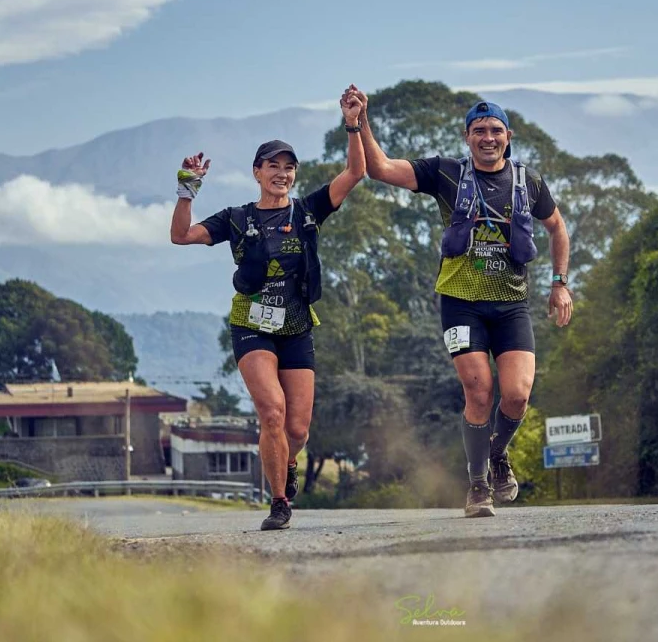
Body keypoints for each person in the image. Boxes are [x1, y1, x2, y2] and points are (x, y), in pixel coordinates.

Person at [349, 85, 573, 517]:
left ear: (508, 136)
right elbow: (379, 169)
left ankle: (496, 453)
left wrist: (560, 284)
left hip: (511, 305)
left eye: (494, 130)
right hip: (460, 301)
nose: (487, 138)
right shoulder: (445, 172)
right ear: (466, 137)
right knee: (478, 390)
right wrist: (359, 122)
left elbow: (557, 229)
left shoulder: (528, 182)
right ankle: (477, 486)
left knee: (518, 395)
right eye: (478, 131)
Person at [170, 90, 367, 530]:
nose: (281, 174)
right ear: (257, 172)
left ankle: (286, 464)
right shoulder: (237, 218)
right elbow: (181, 236)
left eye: (288, 167)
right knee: (272, 413)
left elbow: (356, 171)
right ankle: (279, 502)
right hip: (252, 323)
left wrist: (353, 123)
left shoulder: (308, 211)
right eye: (272, 166)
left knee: (296, 429)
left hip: (296, 324)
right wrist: (188, 189)